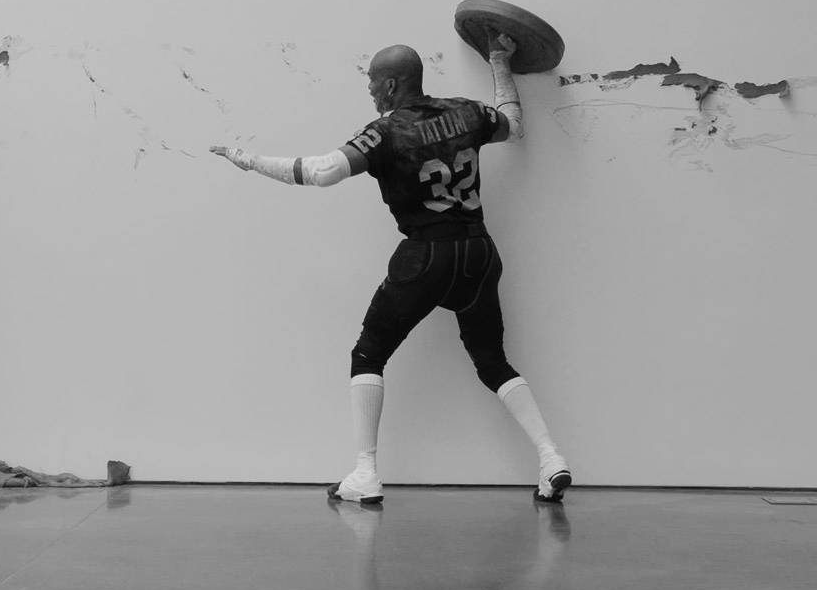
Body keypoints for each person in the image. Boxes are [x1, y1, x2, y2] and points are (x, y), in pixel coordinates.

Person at [211, 30, 571, 505]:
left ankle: (365, 473)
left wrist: (249, 160)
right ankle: (551, 458)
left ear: (392, 85)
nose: (369, 90)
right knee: (492, 360)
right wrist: (500, 62)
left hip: (427, 255)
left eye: (373, 81)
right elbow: (512, 122)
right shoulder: (466, 111)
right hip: (480, 251)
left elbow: (320, 171)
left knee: (369, 352)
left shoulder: (386, 131)